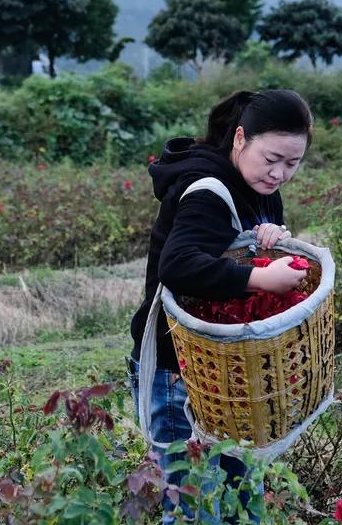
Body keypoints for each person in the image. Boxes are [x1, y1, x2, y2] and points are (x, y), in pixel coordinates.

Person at [127, 89, 314, 524]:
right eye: (272, 158)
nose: (280, 173)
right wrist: (260, 276)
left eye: (293, 163)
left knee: (240, 502)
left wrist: (266, 240)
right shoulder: (207, 191)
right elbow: (179, 265)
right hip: (179, 374)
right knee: (194, 507)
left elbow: (229, 249)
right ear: (240, 139)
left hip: (223, 370)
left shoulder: (258, 187)